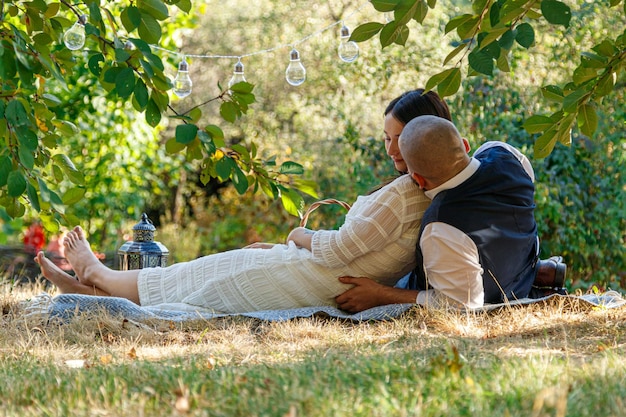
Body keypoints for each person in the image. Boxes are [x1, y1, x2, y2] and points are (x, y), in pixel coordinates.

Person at [35, 90, 460, 313]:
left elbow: (341, 248)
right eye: (386, 139)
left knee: (209, 281)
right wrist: (285, 247)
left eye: (398, 139)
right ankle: (94, 286)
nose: (391, 150)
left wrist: (297, 234)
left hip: (320, 275)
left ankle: (98, 277)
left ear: (423, 134)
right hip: (317, 273)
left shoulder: (407, 193)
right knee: (212, 269)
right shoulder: (420, 189)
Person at [336, 115, 542, 311]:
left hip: (494, 292)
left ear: (418, 179)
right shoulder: (505, 154)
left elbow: (462, 305)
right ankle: (541, 271)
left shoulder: (442, 226)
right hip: (519, 268)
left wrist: (381, 295)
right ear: (465, 144)